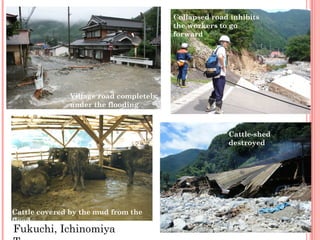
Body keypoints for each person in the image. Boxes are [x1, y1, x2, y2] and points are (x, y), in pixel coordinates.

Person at [205, 35, 230, 114]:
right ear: (223, 42)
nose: (227, 44)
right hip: (220, 73)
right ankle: (218, 109)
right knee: (220, 91)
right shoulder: (222, 49)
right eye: (227, 43)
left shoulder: (216, 49)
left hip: (214, 72)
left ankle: (209, 105)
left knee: (216, 90)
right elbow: (220, 57)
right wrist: (223, 66)